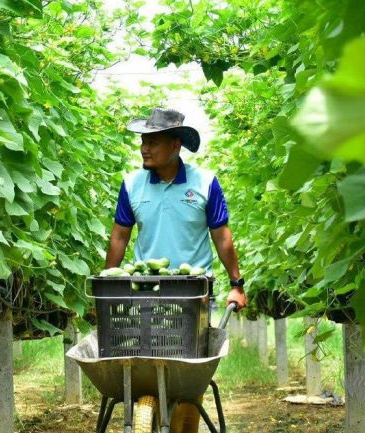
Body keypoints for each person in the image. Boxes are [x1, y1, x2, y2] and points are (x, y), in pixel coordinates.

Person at [104, 107, 247, 433]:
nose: (144, 148)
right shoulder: (131, 185)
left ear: (175, 145)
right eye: (143, 140)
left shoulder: (205, 183)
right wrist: (108, 282)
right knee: (146, 369)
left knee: (186, 383)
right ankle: (149, 419)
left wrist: (237, 283)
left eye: (153, 141)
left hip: (192, 297)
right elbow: (119, 236)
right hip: (144, 293)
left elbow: (222, 236)